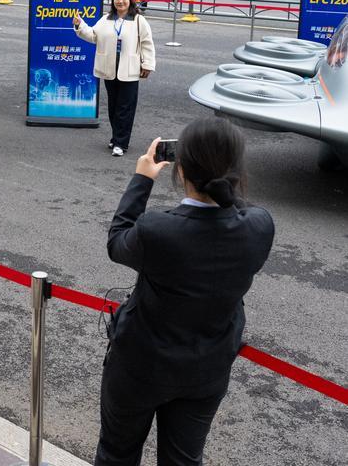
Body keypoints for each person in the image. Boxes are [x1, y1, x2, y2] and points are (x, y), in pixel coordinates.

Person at [96, 120, 275, 466]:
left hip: (139, 366)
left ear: (181, 169)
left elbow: (117, 241)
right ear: (237, 173)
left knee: (117, 453)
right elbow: (239, 210)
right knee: (184, 461)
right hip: (207, 370)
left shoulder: (158, 229)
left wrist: (142, 178)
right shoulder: (259, 226)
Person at [73, 0, 155, 157]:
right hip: (109, 69)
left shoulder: (138, 20)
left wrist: (147, 64)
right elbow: (93, 36)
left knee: (125, 107)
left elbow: (147, 43)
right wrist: (80, 25)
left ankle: (121, 143)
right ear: (113, 1)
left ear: (130, 0)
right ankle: (116, 136)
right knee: (113, 106)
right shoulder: (106, 19)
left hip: (129, 69)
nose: (120, 1)